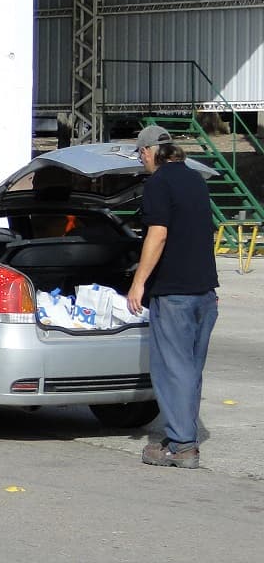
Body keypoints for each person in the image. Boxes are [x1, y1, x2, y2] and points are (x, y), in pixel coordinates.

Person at [126, 124, 219, 469]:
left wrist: (138, 282)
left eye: (141, 155)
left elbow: (158, 234)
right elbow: (202, 233)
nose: (142, 161)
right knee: (190, 371)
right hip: (205, 294)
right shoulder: (196, 180)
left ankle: (182, 446)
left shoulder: (158, 183)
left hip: (174, 294)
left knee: (171, 371)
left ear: (148, 152)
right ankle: (183, 435)